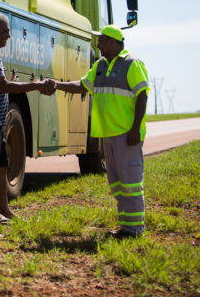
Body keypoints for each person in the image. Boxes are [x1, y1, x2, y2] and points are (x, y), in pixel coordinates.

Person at [53, 24, 149, 239]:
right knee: (117, 183)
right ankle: (127, 227)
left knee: (130, 182)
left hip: (126, 134)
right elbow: (82, 86)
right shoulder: (100, 65)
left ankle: (135, 230)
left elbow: (142, 94)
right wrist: (57, 85)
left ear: (115, 42)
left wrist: (135, 129)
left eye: (102, 40)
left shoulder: (132, 64)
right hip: (108, 134)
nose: (98, 44)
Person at [0, 12, 55, 225]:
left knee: (1, 163)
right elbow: (4, 86)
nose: (8, 36)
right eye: (5, 31)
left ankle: (4, 208)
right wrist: (38, 85)